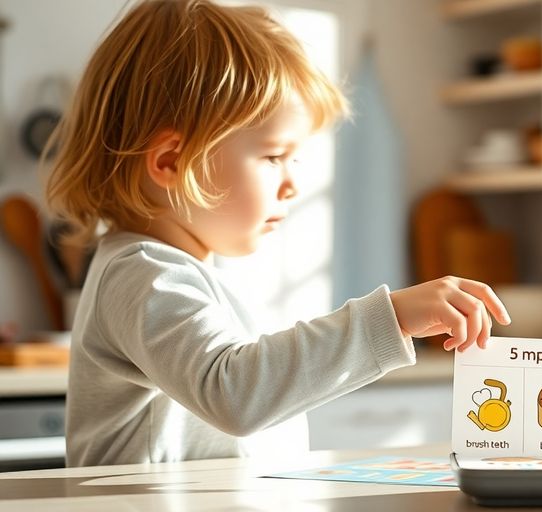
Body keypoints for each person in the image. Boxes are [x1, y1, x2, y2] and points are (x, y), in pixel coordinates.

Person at [44, 0, 510, 467]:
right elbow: (234, 392)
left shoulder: (184, 271)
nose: (293, 184)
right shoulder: (143, 273)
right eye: (272, 157)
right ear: (171, 162)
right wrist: (390, 318)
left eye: (295, 158)